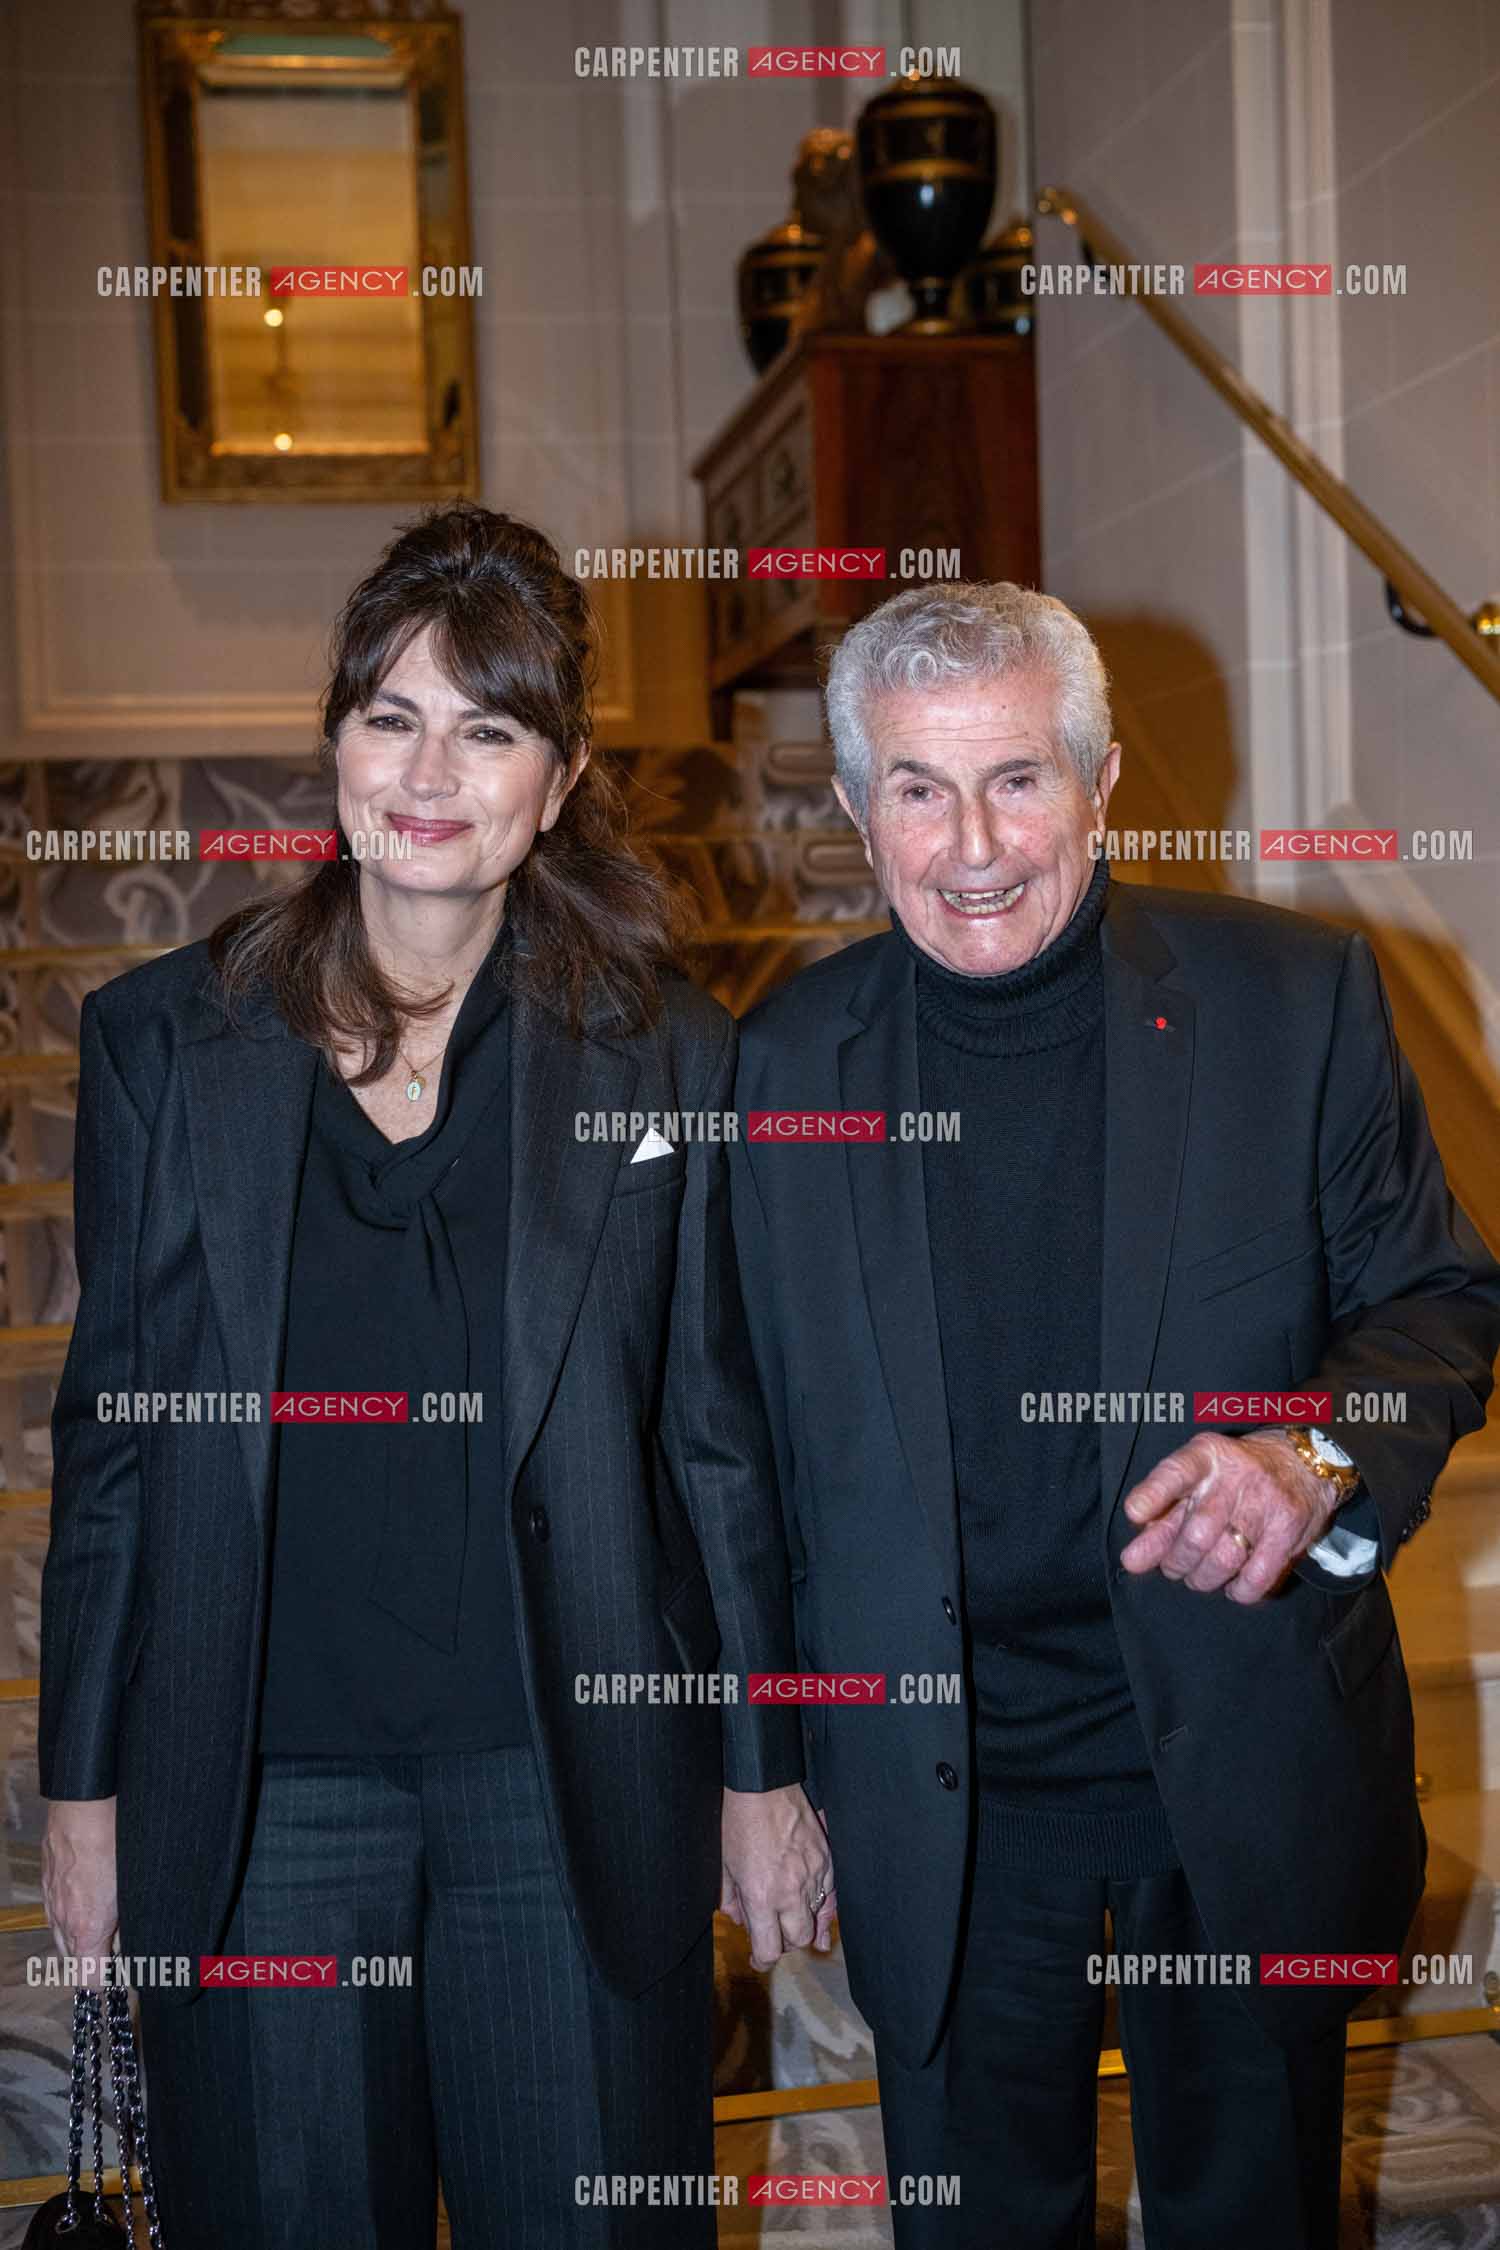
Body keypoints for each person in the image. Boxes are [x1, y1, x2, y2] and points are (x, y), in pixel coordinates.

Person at [38, 502, 831, 2248]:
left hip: (561, 1786)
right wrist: (81, 1789)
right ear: (333, 746)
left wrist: (763, 1770)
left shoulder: (666, 1051)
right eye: (390, 714)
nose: (429, 769)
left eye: (489, 726)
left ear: (555, 785)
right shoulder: (169, 1042)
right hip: (259, 1787)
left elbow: (718, 1441)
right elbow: (111, 1438)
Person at [727, 580, 1500, 2248]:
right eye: (918, 789)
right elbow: (741, 1451)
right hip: (946, 1789)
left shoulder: (1298, 1002)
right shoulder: (781, 1062)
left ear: (1102, 782)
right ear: (858, 811)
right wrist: (763, 1765)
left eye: (1017, 777)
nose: (973, 842)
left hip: (1234, 1756)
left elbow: (1440, 1303)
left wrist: (1311, 1456)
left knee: (1254, 2213)